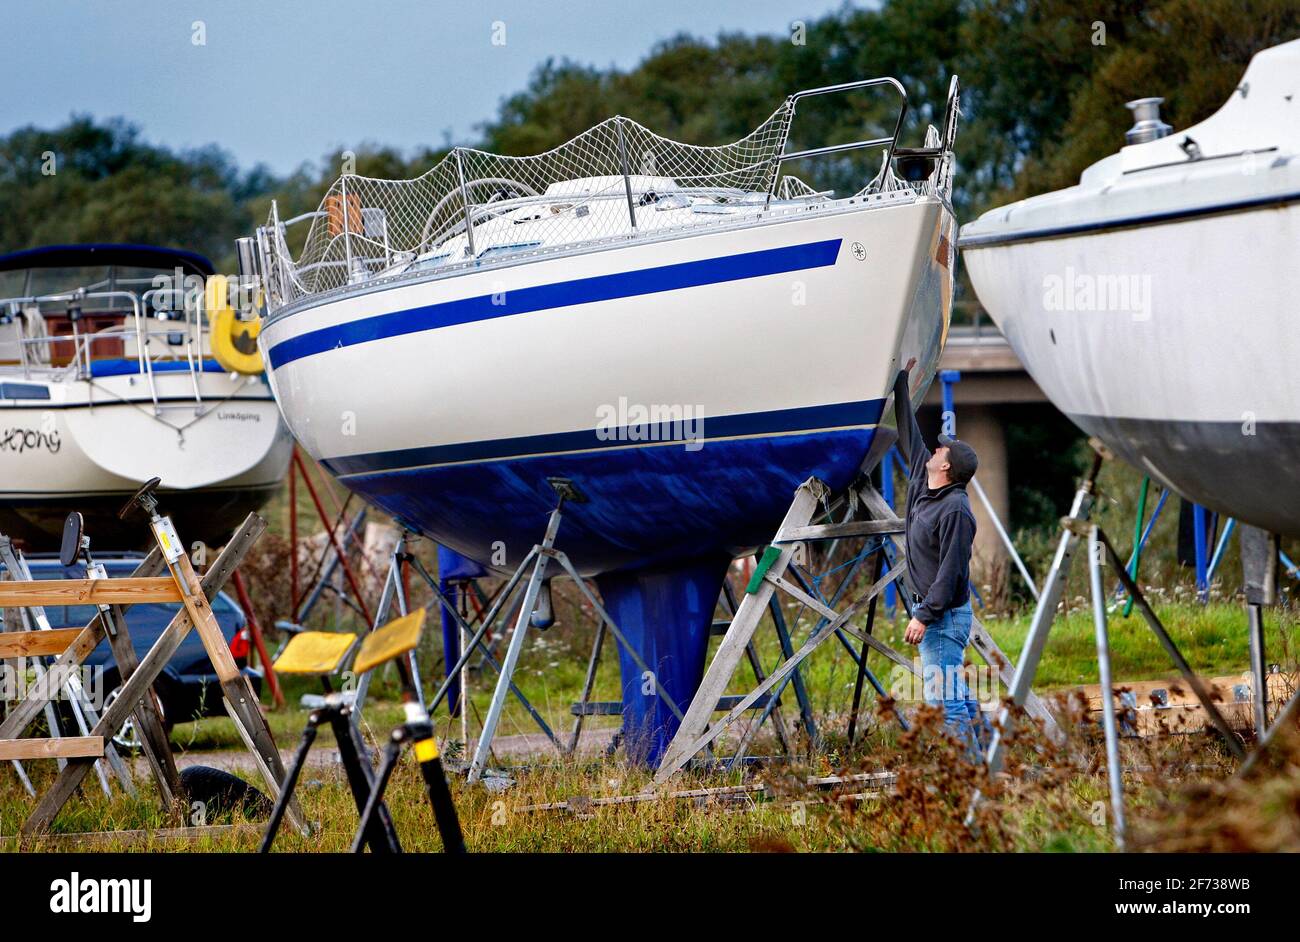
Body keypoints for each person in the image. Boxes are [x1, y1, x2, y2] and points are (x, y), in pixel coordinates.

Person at [891, 362, 985, 752]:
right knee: (957, 698)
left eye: (941, 448)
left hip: (943, 619)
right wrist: (898, 378)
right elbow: (908, 431)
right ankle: (991, 766)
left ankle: (972, 783)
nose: (935, 447)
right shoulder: (921, 481)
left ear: (946, 466)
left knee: (946, 706)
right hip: (937, 614)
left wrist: (922, 616)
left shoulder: (955, 510)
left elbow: (949, 574)